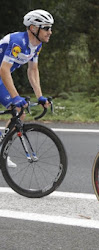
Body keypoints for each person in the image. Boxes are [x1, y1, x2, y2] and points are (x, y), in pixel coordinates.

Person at [0, 9, 54, 167]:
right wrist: (16, 96)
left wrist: (40, 96)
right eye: (46, 28)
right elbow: (3, 70)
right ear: (33, 28)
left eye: (50, 28)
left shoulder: (36, 46)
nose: (50, 32)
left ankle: (2, 149)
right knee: (17, 106)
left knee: (19, 113)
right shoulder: (18, 42)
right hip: (1, 74)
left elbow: (33, 70)